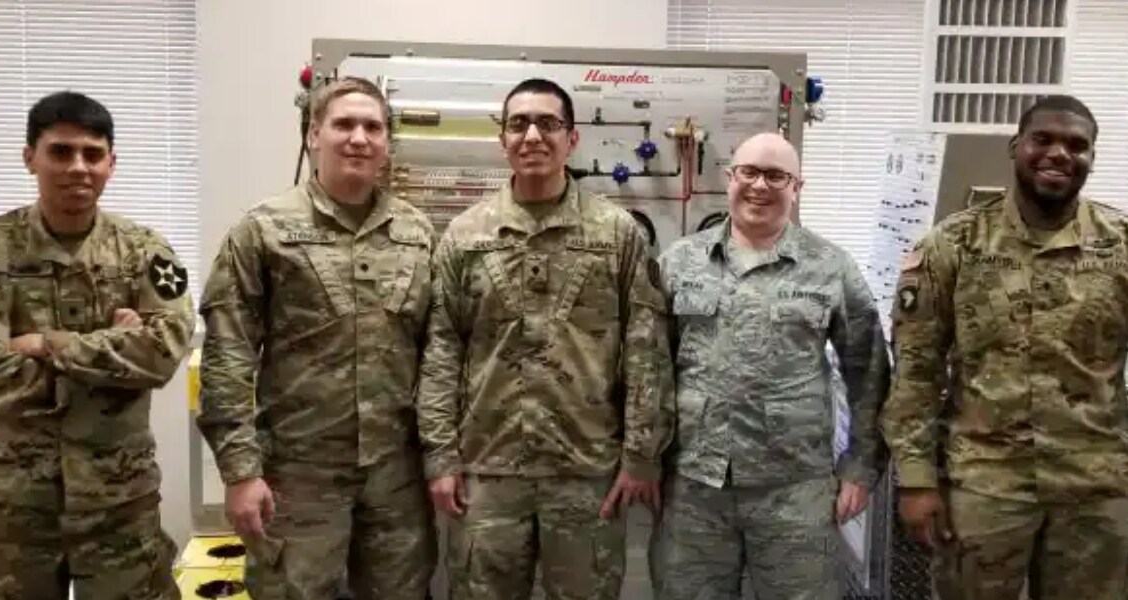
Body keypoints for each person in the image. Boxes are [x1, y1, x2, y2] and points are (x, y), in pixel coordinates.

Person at [415, 77, 675, 600]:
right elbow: (442, 351)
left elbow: (646, 351)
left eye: (548, 123)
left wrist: (642, 455)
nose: (533, 135)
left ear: (572, 139)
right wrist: (439, 457)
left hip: (586, 470)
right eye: (519, 123)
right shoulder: (465, 237)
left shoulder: (617, 234)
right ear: (503, 140)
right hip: (487, 470)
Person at [195, 76, 437, 599]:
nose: (358, 137)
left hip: (396, 477)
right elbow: (227, 356)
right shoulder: (263, 230)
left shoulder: (418, 234)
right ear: (313, 135)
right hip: (297, 478)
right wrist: (239, 472)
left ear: (387, 145)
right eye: (344, 124)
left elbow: (438, 355)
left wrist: (440, 460)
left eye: (372, 127)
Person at [881, 94, 1128, 599]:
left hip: (1095, 489)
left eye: (1077, 145)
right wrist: (916, 479)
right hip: (984, 486)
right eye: (1043, 140)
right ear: (1016, 148)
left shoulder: (1120, 245)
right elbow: (916, 372)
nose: (1059, 153)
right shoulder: (954, 244)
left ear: (1091, 160)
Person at [649, 132, 890, 600]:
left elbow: (871, 374)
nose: (760, 186)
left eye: (776, 176)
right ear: (729, 179)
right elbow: (649, 371)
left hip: (796, 491)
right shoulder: (678, 264)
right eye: (749, 173)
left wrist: (861, 469)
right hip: (695, 488)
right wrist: (643, 461)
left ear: (797, 187)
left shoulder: (831, 268)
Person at [0, 90, 195, 598]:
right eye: (61, 151)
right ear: (29, 157)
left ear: (111, 163)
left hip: (118, 497)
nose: (78, 167)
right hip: (15, 503)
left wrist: (44, 343)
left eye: (92, 154)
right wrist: (115, 346)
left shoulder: (144, 250)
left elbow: (164, 352)